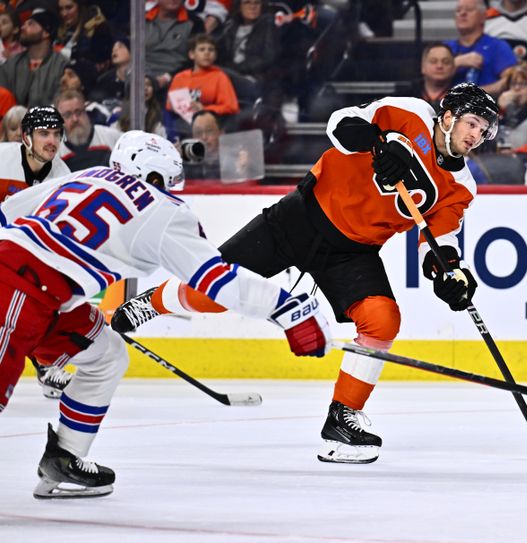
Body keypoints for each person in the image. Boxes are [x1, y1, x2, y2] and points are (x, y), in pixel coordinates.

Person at [111, 83, 499, 464]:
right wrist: (376, 142)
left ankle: (342, 419)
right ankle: (152, 302)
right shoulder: (408, 112)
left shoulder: (461, 185)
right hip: (301, 217)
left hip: (352, 250)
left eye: (483, 130)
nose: (476, 135)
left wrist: (449, 273)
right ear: (447, 116)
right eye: (471, 124)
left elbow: (439, 238)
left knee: (382, 319)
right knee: (213, 292)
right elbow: (340, 125)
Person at [0, 129, 331, 499]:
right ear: (158, 176)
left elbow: (6, 214)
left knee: (106, 354)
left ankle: (64, 457)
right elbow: (217, 281)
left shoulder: (85, 176)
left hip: (48, 295)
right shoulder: (163, 209)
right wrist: (286, 307)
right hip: (19, 287)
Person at [0, 106, 72, 398]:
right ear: (26, 137)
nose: (51, 141)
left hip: (16, 253)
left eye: (56, 134)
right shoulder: (2, 160)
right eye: (44, 133)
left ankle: (45, 364)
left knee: (41, 295)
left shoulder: (62, 176)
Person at [446, 0, 518, 97]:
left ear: (483, 16)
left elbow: (512, 78)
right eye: (458, 10)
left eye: (469, 9)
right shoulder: (446, 48)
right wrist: (456, 62)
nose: (462, 13)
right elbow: (428, 77)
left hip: (487, 106)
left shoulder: (497, 46)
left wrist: (476, 93)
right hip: (447, 106)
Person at [0, 8, 68, 107]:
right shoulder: (10, 65)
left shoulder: (61, 65)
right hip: (12, 120)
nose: (23, 27)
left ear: (46, 32)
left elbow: (61, 102)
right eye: (24, 24)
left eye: (30, 24)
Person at [55, 89, 121, 170]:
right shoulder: (55, 152)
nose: (75, 119)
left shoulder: (111, 136)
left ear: (86, 112)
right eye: (68, 115)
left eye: (78, 112)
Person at [411, 42, 457, 111]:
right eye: (433, 61)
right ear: (422, 67)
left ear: (453, 68)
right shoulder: (405, 98)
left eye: (446, 62)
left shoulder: (464, 100)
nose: (439, 66)